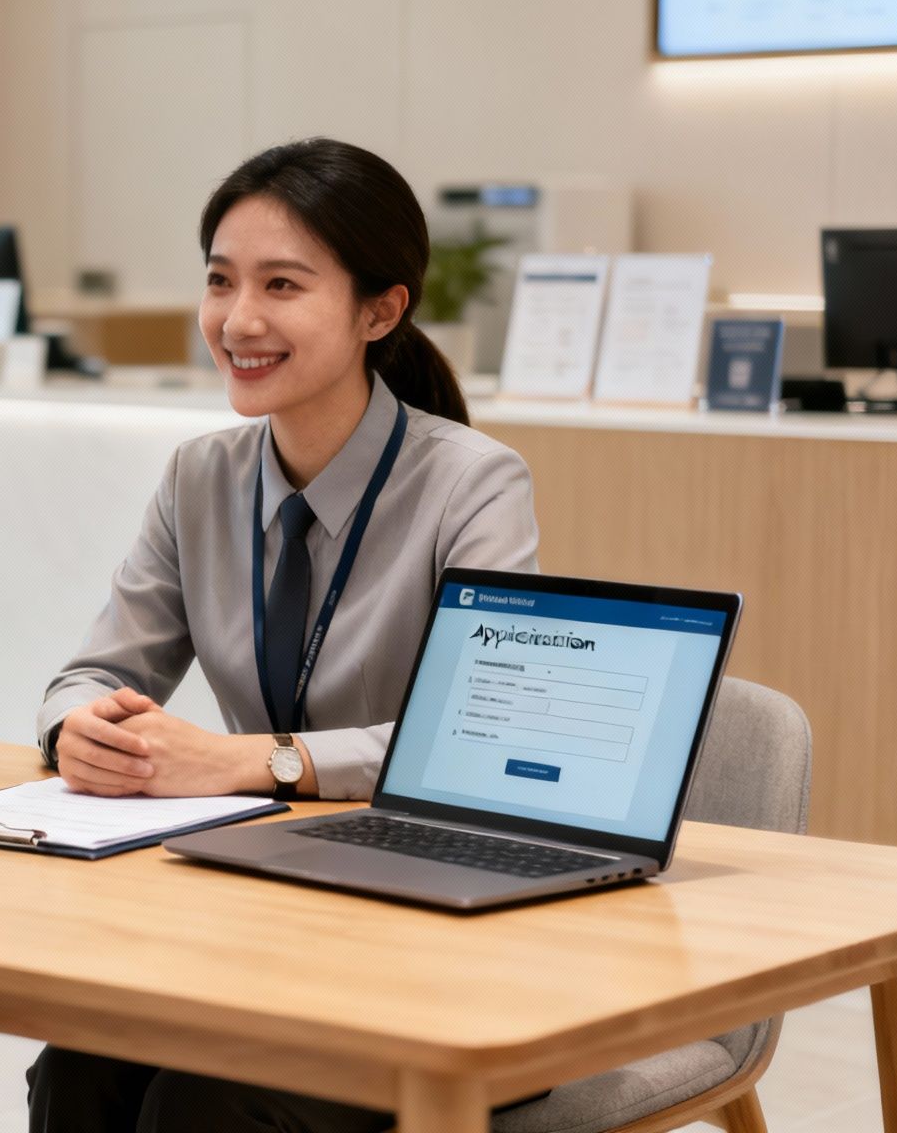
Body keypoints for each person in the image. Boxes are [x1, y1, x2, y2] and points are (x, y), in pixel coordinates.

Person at [27, 137, 541, 1130]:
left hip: (435, 938)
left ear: (378, 310)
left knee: (202, 1109)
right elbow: (92, 668)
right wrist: (73, 727)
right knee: (74, 1073)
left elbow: (479, 740)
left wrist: (250, 763)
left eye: (281, 285)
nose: (238, 320)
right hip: (260, 918)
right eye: (220, 281)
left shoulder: (472, 483)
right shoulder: (199, 476)